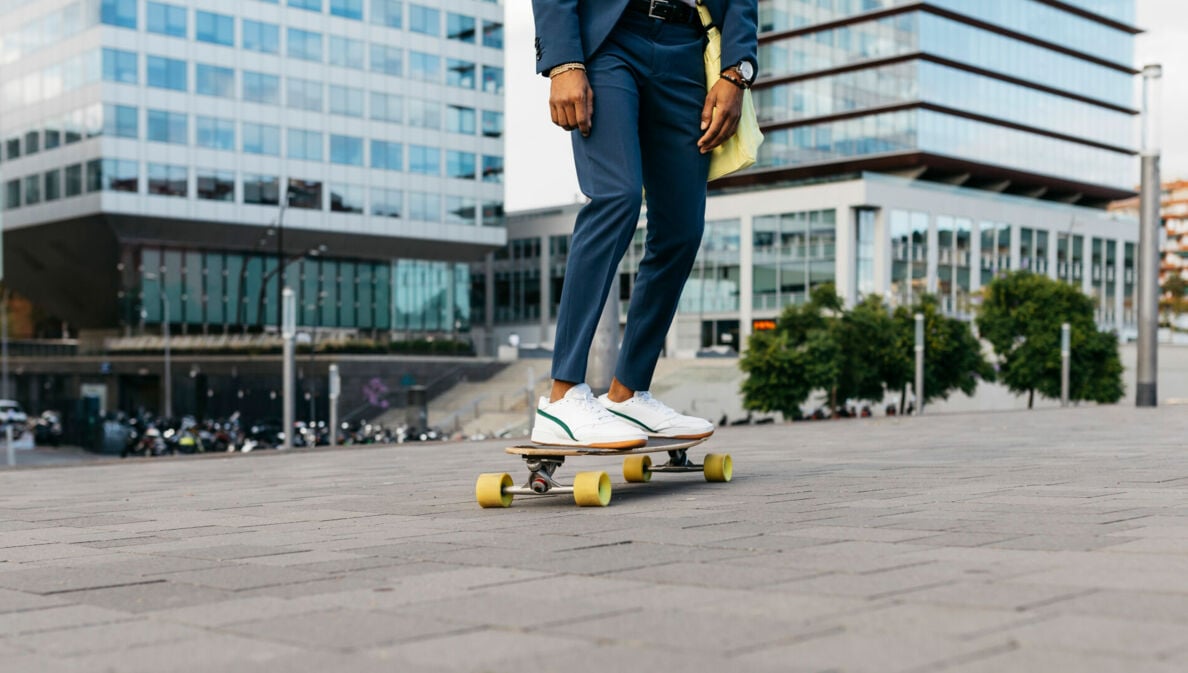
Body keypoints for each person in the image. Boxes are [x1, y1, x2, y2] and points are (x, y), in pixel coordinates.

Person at [530, 0, 758, 448]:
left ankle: (628, 392)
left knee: (681, 228)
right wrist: (562, 61)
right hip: (612, 38)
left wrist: (737, 71)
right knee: (617, 195)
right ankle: (562, 396)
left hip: (687, 45)